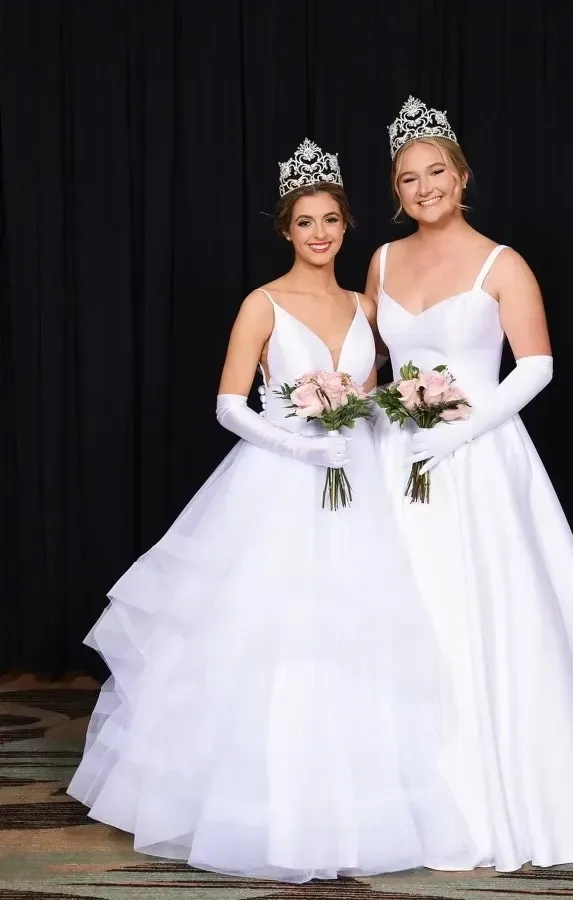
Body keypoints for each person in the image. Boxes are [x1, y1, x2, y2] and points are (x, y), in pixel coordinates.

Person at [67, 139, 471, 883]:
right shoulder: (263, 303)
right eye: (305, 222)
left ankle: (352, 802)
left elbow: (371, 392)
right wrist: (299, 446)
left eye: (331, 221)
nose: (319, 234)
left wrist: (399, 418)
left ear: (347, 226)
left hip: (354, 492)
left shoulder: (361, 305)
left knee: (354, 633)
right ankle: (255, 809)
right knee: (271, 635)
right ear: (286, 229)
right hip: (278, 484)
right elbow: (227, 405)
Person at [365, 96, 573, 873]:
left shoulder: (504, 264)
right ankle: (392, 794)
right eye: (409, 178)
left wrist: (462, 430)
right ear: (395, 191)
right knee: (397, 613)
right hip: (395, 457)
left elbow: (536, 366)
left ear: (464, 175)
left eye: (437, 171)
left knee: (484, 616)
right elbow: (366, 356)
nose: (424, 187)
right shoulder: (378, 260)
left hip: (479, 459)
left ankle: (499, 793)